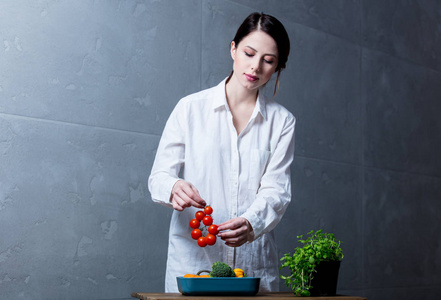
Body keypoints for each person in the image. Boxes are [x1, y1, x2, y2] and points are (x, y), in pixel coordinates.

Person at [148, 12, 295, 292]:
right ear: (233, 49)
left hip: (253, 268)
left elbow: (277, 190)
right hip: (194, 263)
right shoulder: (190, 109)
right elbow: (158, 177)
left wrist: (252, 222)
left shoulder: (282, 122)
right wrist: (174, 185)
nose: (255, 67)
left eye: (268, 60)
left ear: (277, 67)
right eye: (249, 53)